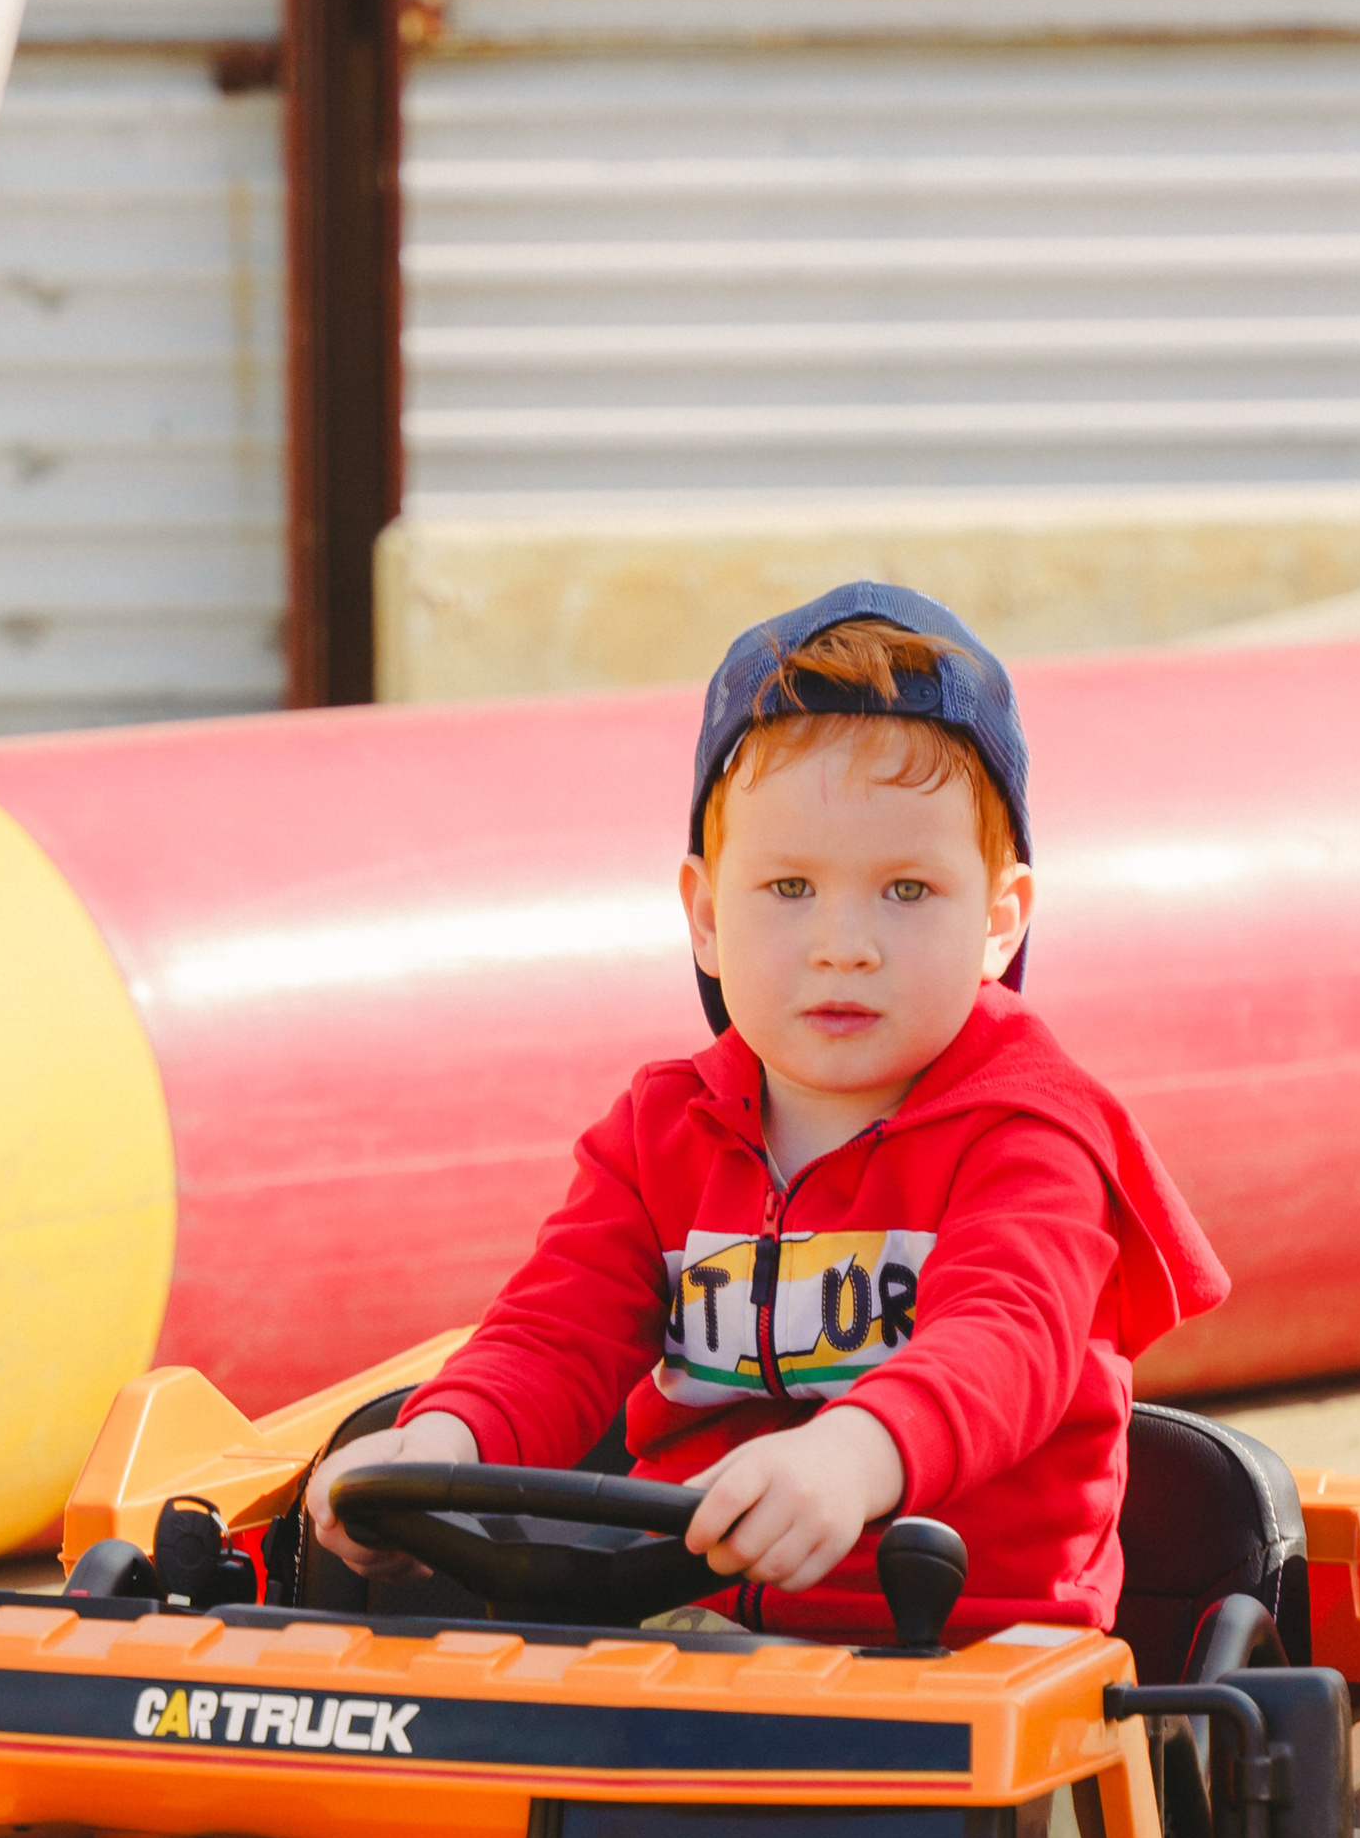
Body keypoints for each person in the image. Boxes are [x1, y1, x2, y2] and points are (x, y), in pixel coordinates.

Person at [305, 581, 1228, 1639]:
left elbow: (1003, 1339)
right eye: (789, 889)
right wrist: (444, 1444)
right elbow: (554, 1333)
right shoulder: (659, 1135)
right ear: (705, 915)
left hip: (977, 1654)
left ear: (999, 919)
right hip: (692, 1627)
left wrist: (855, 1451)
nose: (843, 942)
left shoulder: (1033, 1136)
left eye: (907, 891)